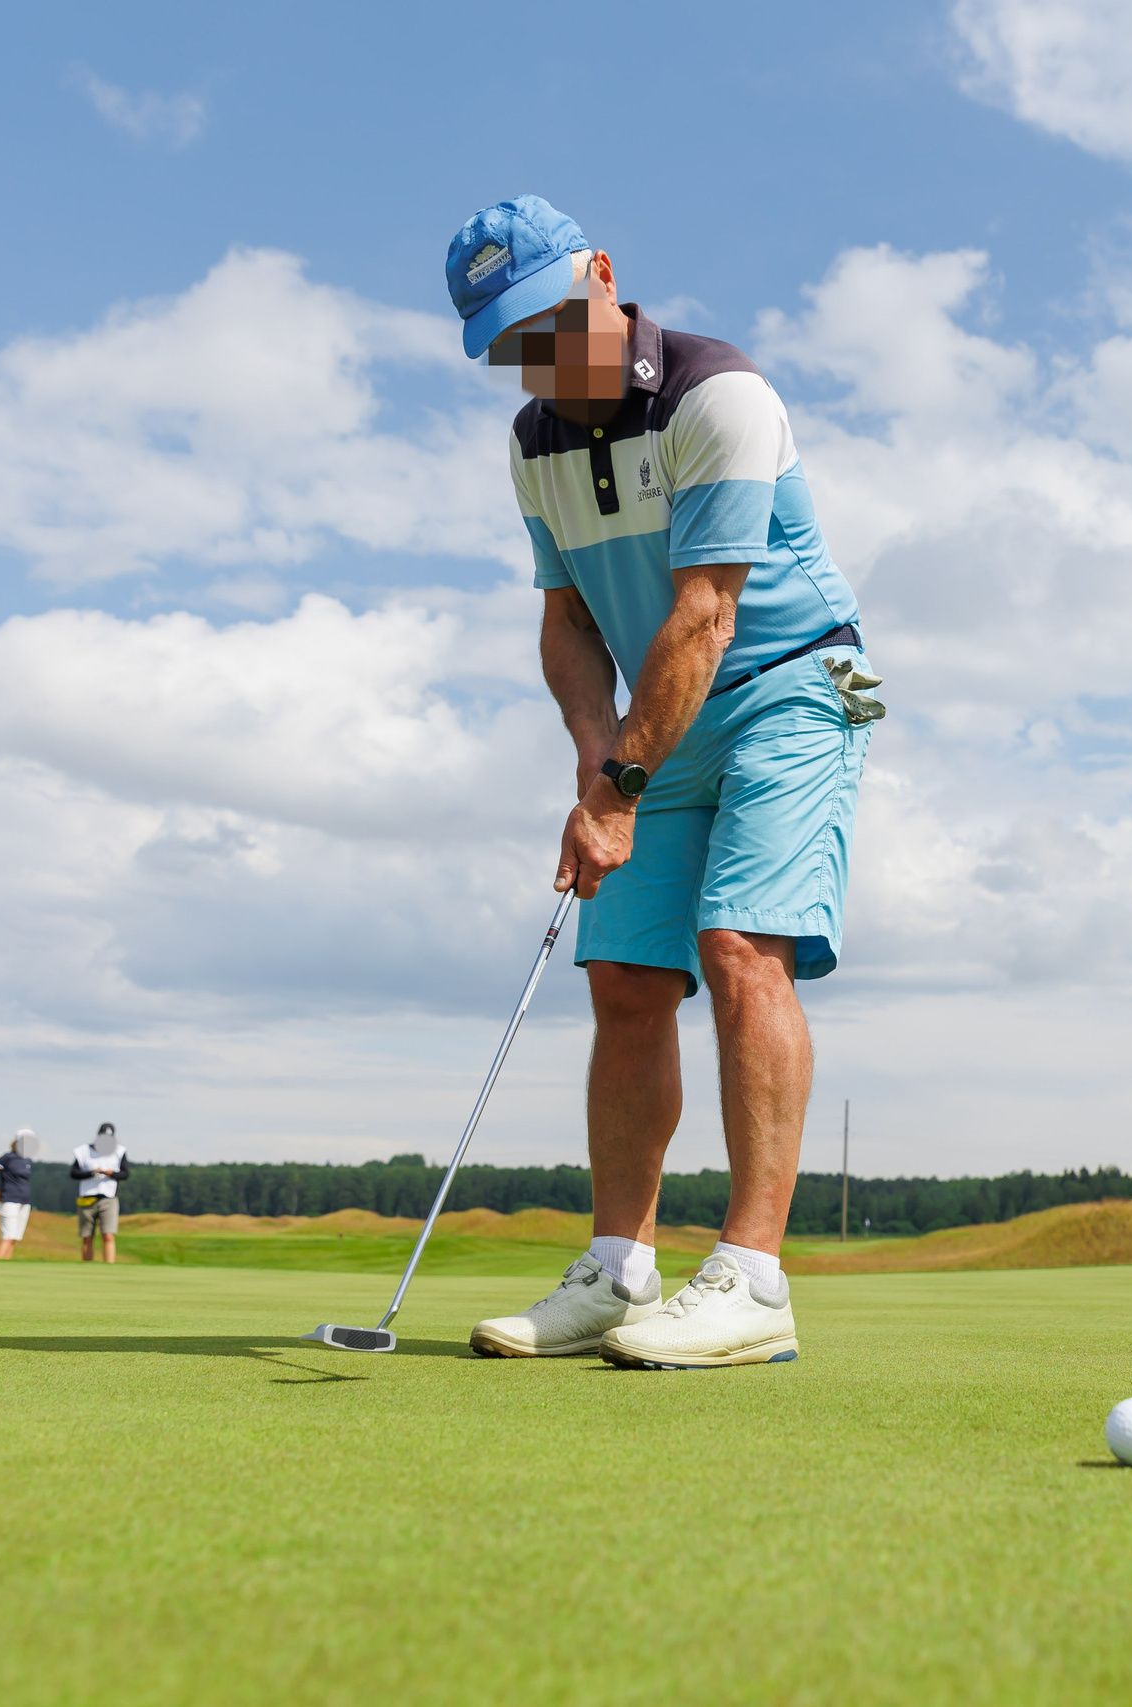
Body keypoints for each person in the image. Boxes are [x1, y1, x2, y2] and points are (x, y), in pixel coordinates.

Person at [443, 196, 884, 1369]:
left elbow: (706, 610)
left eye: (550, 323)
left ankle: (752, 1278)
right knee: (629, 983)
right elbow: (567, 622)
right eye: (511, 345)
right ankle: (616, 1271)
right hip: (657, 716)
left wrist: (620, 783)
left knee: (742, 947)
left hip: (792, 685)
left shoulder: (715, 394)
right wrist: (597, 764)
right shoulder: (534, 440)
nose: (538, 359)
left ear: (599, 275)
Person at [70, 1123, 128, 1264]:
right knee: (87, 1236)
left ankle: (109, 1267)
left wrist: (111, 1173)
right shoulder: (83, 1151)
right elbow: (74, 1173)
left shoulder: (119, 1151)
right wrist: (92, 1172)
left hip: (109, 1198)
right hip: (87, 1198)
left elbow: (125, 1174)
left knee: (108, 1235)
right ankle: (87, 1266)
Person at [0, 1128, 38, 1259]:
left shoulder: (26, 1160)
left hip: (24, 1202)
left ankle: (7, 1268)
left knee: (14, 1238)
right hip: (9, 1200)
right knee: (7, 1237)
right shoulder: (8, 1158)